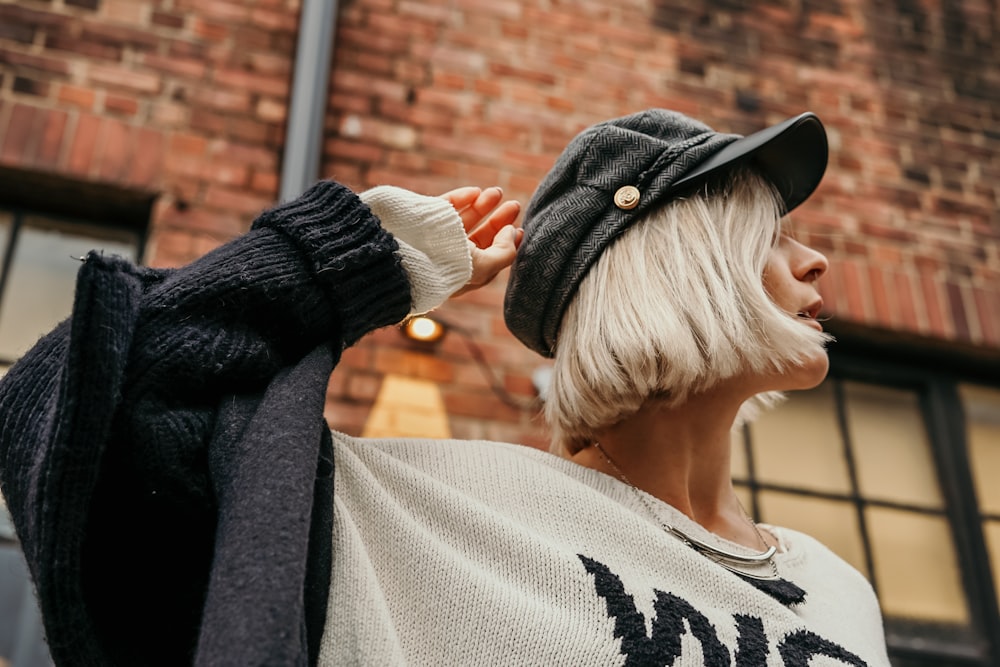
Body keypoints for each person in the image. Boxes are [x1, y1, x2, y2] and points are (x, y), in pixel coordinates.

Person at [0, 109, 890, 666]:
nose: (815, 259)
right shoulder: (412, 508)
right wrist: (353, 264)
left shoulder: (841, 588)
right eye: (767, 236)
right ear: (673, 271)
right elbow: (85, 405)